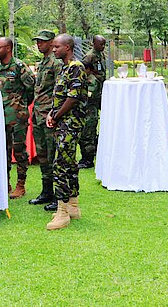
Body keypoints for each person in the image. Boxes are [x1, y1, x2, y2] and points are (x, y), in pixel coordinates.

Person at [45, 34, 87, 231]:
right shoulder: (64, 68)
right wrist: (52, 113)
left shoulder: (76, 67)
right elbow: (60, 97)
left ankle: (62, 211)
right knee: (69, 163)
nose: (54, 50)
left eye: (57, 46)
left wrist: (56, 115)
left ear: (68, 47)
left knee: (61, 164)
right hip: (63, 122)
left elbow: (72, 98)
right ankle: (73, 206)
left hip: (70, 123)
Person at [0, 37, 35, 199]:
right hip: (1, 116)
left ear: (8, 48)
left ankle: (20, 185)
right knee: (3, 151)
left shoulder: (19, 67)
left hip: (18, 116)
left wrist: (21, 105)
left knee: (19, 151)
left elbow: (31, 89)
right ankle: (5, 183)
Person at [29, 30, 62, 210]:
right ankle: (46, 191)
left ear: (51, 42)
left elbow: (59, 90)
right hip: (38, 114)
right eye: (38, 41)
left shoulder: (56, 63)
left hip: (49, 115)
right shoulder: (43, 62)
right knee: (42, 155)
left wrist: (54, 113)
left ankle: (58, 195)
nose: (39, 44)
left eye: (42, 41)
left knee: (52, 155)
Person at [78, 35, 107, 169]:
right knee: (88, 128)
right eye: (101, 44)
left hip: (98, 95)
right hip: (90, 98)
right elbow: (84, 73)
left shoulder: (101, 55)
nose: (103, 47)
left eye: (104, 44)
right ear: (94, 43)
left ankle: (95, 151)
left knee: (95, 124)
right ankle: (87, 158)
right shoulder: (89, 56)